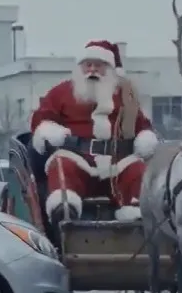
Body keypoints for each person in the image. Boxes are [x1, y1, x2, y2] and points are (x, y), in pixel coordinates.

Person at [30, 40, 159, 224]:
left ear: (110, 69)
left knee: (137, 169)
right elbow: (41, 118)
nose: (92, 70)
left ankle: (136, 212)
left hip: (118, 161)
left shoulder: (125, 96)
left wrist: (145, 137)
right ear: (80, 68)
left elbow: (142, 124)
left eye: (98, 65)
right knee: (61, 165)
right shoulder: (62, 93)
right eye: (88, 65)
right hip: (78, 158)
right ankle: (65, 208)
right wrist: (48, 130)